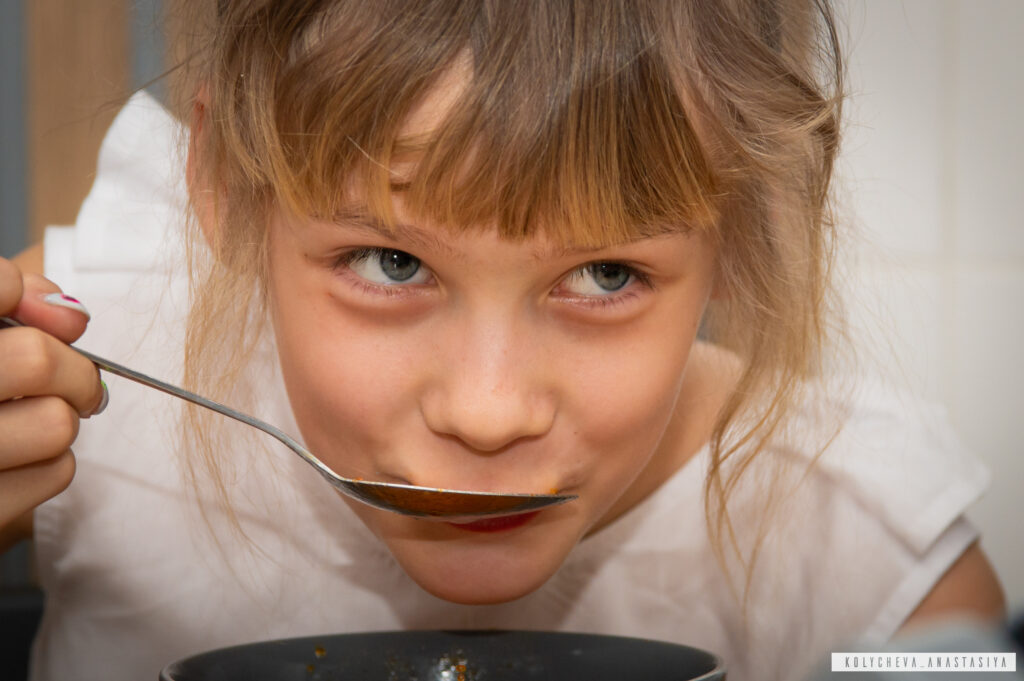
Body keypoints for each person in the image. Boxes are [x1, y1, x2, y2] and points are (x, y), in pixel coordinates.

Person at [0, 2, 1007, 680]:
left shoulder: (878, 564)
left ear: (742, 232)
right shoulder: (98, 345)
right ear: (225, 185)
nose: (487, 414)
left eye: (604, 276)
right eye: (391, 264)